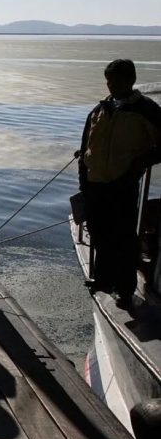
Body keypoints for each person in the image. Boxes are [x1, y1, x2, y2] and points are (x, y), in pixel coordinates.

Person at [78, 59, 161, 309]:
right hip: (95, 184)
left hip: (122, 183)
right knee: (99, 232)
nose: (110, 84)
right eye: (108, 80)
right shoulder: (100, 109)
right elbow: (86, 147)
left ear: (130, 81)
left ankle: (124, 289)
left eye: (114, 80)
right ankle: (103, 279)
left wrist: (142, 162)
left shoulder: (146, 110)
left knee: (123, 237)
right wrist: (84, 179)